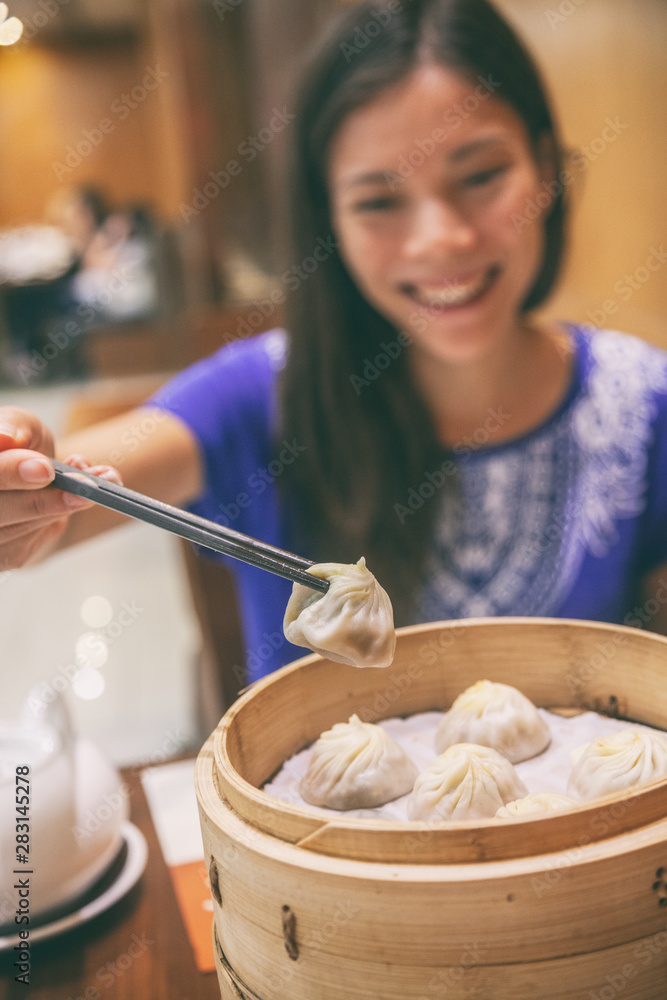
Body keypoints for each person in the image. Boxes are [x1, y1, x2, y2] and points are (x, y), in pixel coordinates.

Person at [2, 0, 667, 685]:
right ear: (330, 222)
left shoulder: (644, 404)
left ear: (546, 172)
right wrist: (23, 488)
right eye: (379, 201)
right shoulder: (256, 397)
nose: (440, 238)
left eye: (480, 176)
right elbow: (65, 506)